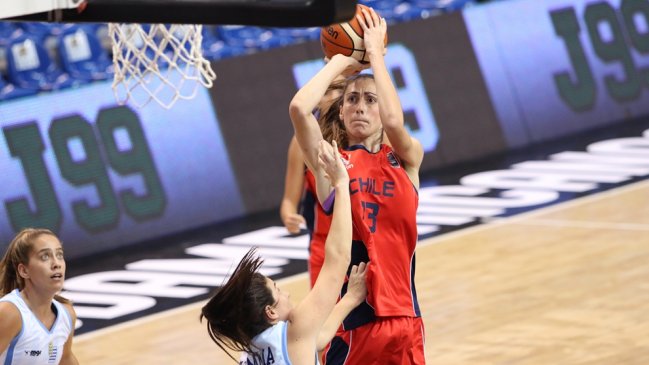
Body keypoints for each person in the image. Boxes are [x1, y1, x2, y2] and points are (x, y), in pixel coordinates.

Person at [289, 7, 425, 365]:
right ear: (342, 111)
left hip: (407, 319)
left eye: (369, 100)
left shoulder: (405, 158)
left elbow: (395, 120)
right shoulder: (333, 164)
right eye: (352, 99)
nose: (360, 107)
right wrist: (341, 60)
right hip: (354, 326)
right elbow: (300, 109)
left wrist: (376, 56)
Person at [201, 140, 367, 365]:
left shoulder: (249, 355)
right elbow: (338, 257)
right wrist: (341, 183)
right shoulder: (293, 331)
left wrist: (350, 298)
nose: (287, 294)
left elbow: (316, 339)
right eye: (277, 290)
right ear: (270, 312)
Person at [279, 80, 344, 287]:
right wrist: (289, 216)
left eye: (338, 90)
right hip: (324, 244)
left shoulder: (363, 135)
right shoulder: (301, 143)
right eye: (326, 92)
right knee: (326, 317)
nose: (333, 97)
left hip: (363, 237)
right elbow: (289, 200)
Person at [0, 228, 79, 365]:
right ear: (24, 271)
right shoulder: (10, 313)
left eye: (59, 255)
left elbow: (65, 359)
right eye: (45, 257)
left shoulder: (67, 314)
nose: (56, 264)